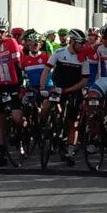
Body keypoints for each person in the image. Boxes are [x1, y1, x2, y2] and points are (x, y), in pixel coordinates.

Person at [39, 28, 90, 164]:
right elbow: (46, 70)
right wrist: (42, 88)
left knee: (73, 121)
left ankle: (70, 151)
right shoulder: (59, 53)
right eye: (80, 43)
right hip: (58, 87)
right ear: (72, 41)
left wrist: (68, 90)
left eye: (84, 43)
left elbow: (84, 81)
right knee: (46, 106)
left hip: (73, 89)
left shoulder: (83, 58)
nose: (83, 46)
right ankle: (45, 128)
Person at [0, 18, 24, 166]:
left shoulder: (12, 43)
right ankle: (2, 153)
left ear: (6, 31)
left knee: (16, 117)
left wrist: (20, 85)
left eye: (1, 32)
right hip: (0, 86)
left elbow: (17, 65)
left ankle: (20, 139)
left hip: (13, 85)